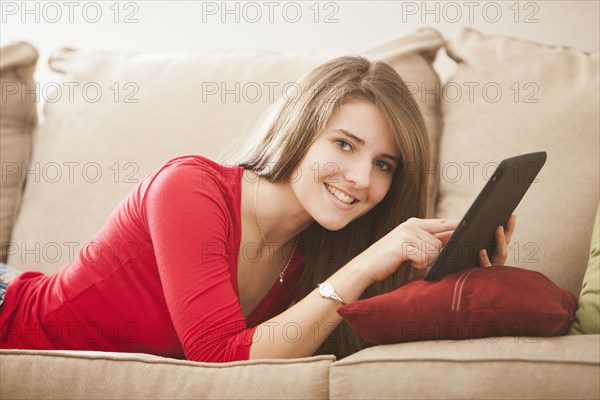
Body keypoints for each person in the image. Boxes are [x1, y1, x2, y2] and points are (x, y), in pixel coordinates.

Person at [0, 55, 516, 362]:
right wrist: (364, 265)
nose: (360, 178)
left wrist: (465, 278)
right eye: (343, 144)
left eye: (384, 164)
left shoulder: (319, 248)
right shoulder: (190, 188)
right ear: (300, 132)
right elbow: (220, 358)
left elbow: (366, 345)